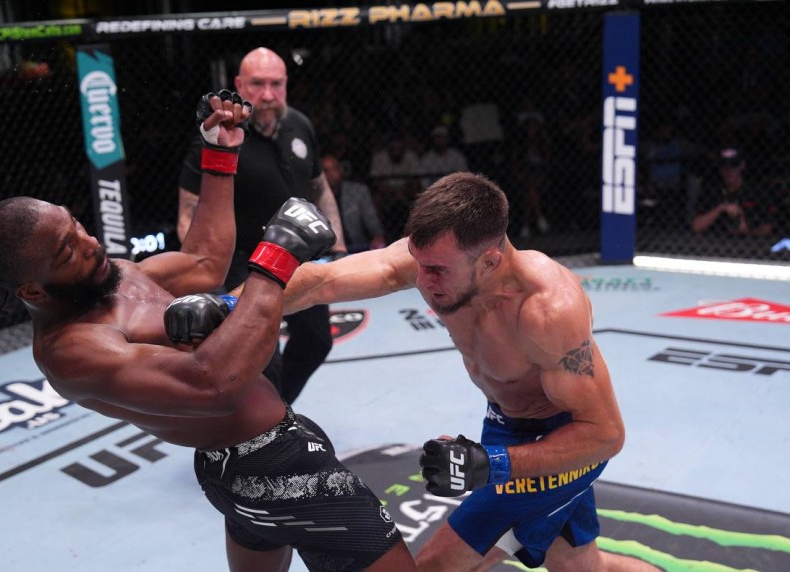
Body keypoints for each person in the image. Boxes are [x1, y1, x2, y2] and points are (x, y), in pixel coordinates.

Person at [0, 92, 416, 572]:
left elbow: (203, 261)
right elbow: (214, 386)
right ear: (32, 290)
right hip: (274, 465)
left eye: (75, 225)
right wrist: (277, 257)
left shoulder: (109, 276)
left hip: (244, 466)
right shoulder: (71, 349)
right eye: (67, 251)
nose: (91, 243)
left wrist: (219, 154)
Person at [232, 172, 659, 571]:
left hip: (564, 441)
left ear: (490, 262)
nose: (422, 280)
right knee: (579, 565)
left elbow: (605, 435)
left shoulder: (546, 310)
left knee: (434, 566)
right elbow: (322, 281)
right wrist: (231, 307)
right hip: (504, 423)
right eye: (419, 263)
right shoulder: (437, 259)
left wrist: (490, 464)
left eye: (437, 270)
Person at [176, 47, 346, 406]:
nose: (268, 94)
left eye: (276, 84)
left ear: (286, 84)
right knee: (263, 358)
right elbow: (189, 207)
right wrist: (204, 270)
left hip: (298, 256)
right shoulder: (220, 134)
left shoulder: (300, 124)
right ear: (239, 85)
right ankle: (268, 422)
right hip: (242, 262)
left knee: (317, 340)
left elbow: (319, 186)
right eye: (257, 84)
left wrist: (338, 245)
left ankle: (277, 409)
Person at [691, 147, 777, 237]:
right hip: (714, 241)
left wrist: (747, 230)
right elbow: (696, 226)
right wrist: (721, 208)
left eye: (733, 165)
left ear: (742, 165)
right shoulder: (712, 190)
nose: (729, 170)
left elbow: (769, 227)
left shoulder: (756, 191)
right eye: (724, 166)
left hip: (751, 242)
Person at [322, 154, 385, 253]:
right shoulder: (315, 195)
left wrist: (378, 236)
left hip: (357, 246)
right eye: (326, 171)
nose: (330, 174)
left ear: (340, 170)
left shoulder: (358, 192)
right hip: (328, 250)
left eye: (333, 169)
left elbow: (371, 218)